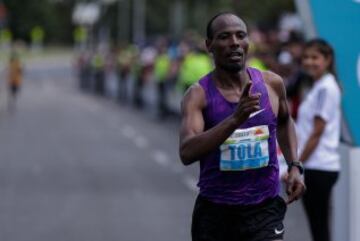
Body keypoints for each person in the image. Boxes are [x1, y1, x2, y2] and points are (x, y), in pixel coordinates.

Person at [179, 12, 306, 241]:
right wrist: (234, 120)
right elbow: (187, 152)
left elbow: (285, 122)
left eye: (240, 35)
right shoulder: (198, 95)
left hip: (264, 209)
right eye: (224, 37)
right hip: (216, 213)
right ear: (209, 45)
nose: (234, 43)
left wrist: (295, 165)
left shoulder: (271, 84)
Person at [297, 39, 341, 241]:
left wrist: (297, 165)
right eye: (306, 57)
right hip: (315, 165)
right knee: (317, 227)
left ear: (327, 59)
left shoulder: (326, 88)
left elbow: (317, 132)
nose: (309, 62)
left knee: (320, 228)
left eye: (315, 57)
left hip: (319, 165)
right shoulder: (318, 86)